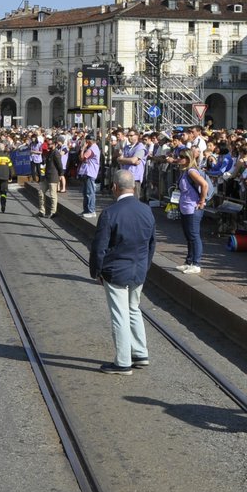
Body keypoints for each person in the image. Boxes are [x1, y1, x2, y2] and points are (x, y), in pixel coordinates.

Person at [89, 169, 157, 375]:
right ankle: (140, 352)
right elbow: (152, 243)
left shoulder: (110, 213)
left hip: (116, 271)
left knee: (120, 315)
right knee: (134, 309)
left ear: (115, 187)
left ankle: (123, 362)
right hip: (139, 269)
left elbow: (99, 247)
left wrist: (96, 271)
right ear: (134, 186)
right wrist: (146, 266)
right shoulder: (147, 210)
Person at [174, 149, 210, 274]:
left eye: (182, 157)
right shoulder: (184, 172)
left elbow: (204, 184)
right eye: (179, 156)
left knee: (194, 235)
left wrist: (202, 200)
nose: (179, 158)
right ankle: (189, 261)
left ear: (188, 159)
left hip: (192, 207)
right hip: (185, 206)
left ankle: (196, 263)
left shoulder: (191, 171)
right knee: (188, 235)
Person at [39, 132, 63, 217]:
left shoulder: (56, 153)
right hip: (46, 176)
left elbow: (60, 165)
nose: (48, 145)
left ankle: (53, 212)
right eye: (47, 143)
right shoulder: (49, 152)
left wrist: (61, 175)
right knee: (41, 192)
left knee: (53, 195)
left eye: (49, 144)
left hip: (53, 176)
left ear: (54, 144)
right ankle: (42, 211)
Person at [78, 133, 101, 218]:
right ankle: (86, 210)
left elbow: (82, 158)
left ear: (89, 141)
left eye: (86, 141)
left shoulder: (92, 149)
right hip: (88, 172)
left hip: (90, 172)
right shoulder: (95, 148)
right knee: (86, 192)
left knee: (89, 192)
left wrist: (83, 148)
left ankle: (91, 210)